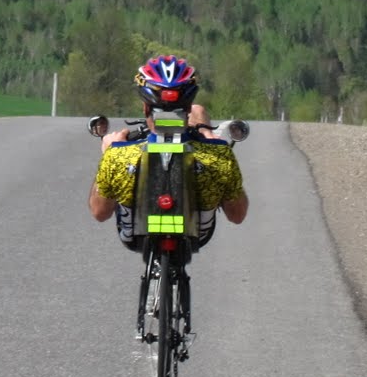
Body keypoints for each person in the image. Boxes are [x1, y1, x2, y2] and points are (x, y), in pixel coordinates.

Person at [87, 55, 248, 252]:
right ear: (187, 107)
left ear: (146, 106)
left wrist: (107, 153)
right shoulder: (219, 156)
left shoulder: (118, 156)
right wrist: (209, 137)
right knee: (201, 113)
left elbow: (99, 212)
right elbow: (237, 215)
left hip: (134, 238)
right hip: (198, 236)